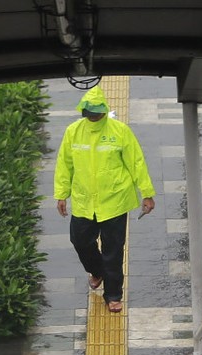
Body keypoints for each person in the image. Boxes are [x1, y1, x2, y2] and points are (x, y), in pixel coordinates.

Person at [54, 86, 156, 313]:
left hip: (115, 202)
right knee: (79, 241)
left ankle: (113, 295)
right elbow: (64, 164)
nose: (92, 116)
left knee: (113, 250)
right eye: (88, 112)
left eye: (96, 112)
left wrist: (146, 193)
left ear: (103, 110)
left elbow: (136, 162)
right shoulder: (73, 132)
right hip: (83, 202)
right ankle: (98, 270)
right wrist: (61, 194)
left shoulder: (120, 132)